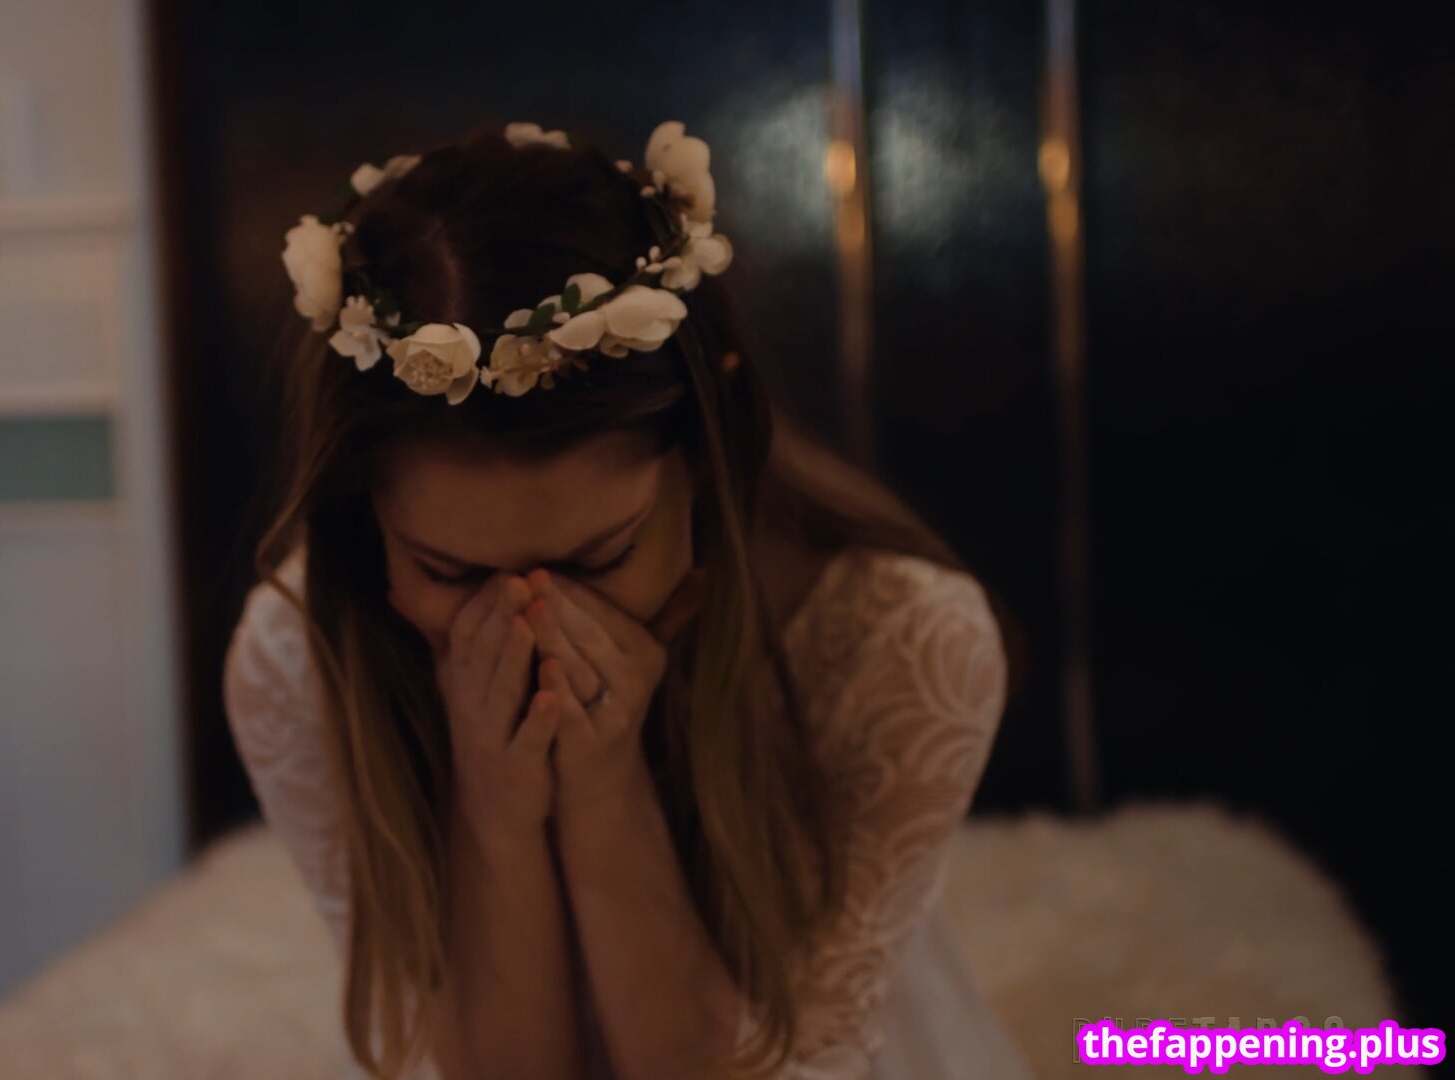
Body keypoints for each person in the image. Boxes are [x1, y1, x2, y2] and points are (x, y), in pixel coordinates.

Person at [224, 118, 1036, 1079]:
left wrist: (606, 791)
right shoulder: (296, 654)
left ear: (708, 455)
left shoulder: (907, 641)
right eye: (451, 574)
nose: (534, 621)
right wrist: (495, 809)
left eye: (602, 557)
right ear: (366, 526)